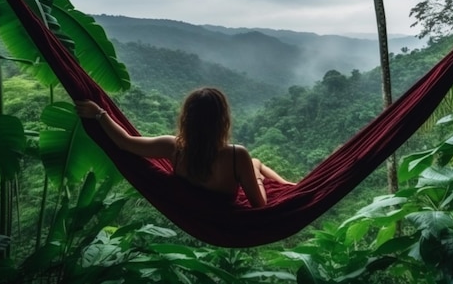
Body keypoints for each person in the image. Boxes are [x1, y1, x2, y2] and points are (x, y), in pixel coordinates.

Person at [75, 87, 294, 207]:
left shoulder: (173, 147)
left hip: (197, 215)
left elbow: (124, 143)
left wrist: (99, 114)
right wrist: (256, 179)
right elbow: (259, 204)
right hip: (228, 210)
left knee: (256, 162)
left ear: (186, 119)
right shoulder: (236, 155)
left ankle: (287, 183)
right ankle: (289, 186)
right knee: (256, 164)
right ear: (223, 120)